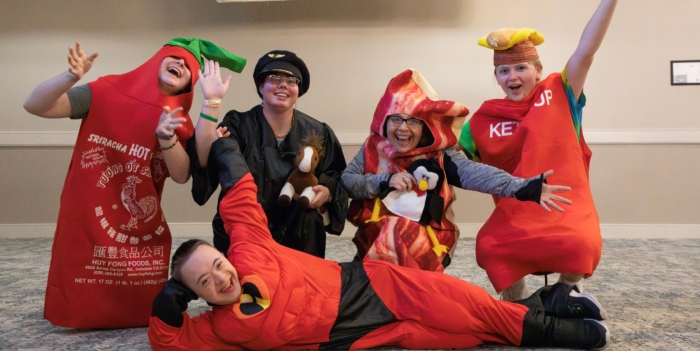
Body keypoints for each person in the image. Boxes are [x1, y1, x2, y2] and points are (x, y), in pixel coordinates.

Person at [148, 155, 610, 350]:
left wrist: (226, 149)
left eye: (216, 264)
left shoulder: (249, 253)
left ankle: (554, 327)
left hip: (369, 284)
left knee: (468, 307)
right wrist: (167, 301)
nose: (221, 278)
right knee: (464, 336)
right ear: (198, 297)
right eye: (205, 281)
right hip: (357, 337)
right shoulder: (221, 328)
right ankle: (543, 305)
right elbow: (170, 342)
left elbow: (240, 202)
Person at [457, 0, 650, 301]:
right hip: (518, 210)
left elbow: (586, 50)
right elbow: (454, 161)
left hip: (567, 205)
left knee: (583, 241)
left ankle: (566, 291)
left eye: (520, 67)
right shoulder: (482, 119)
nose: (512, 76)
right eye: (503, 70)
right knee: (488, 245)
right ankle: (515, 300)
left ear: (537, 70)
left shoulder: (561, 91)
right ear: (496, 77)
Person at [23, 38, 245, 328]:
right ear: (157, 60)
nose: (179, 64)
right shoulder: (104, 91)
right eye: (174, 58)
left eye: (188, 66)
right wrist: (70, 77)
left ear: (189, 85)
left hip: (139, 218)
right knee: (82, 266)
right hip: (87, 210)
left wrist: (168, 137)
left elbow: (180, 175)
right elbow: (35, 106)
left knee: (136, 291)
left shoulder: (180, 121)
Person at [341, 69, 571, 272]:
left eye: (412, 121)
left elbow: (476, 173)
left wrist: (523, 187)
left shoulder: (440, 153)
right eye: (396, 120)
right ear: (385, 121)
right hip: (373, 237)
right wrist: (385, 180)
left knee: (398, 252)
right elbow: (348, 181)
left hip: (430, 240)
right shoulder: (373, 147)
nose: (402, 129)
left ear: (426, 125)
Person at [189, 50, 348, 258]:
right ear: (260, 87)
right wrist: (211, 102)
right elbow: (206, 161)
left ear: (298, 90)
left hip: (299, 232)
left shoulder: (318, 132)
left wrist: (327, 190)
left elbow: (337, 176)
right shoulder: (237, 124)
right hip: (245, 229)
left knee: (301, 286)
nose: (283, 85)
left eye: (292, 80)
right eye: (274, 78)